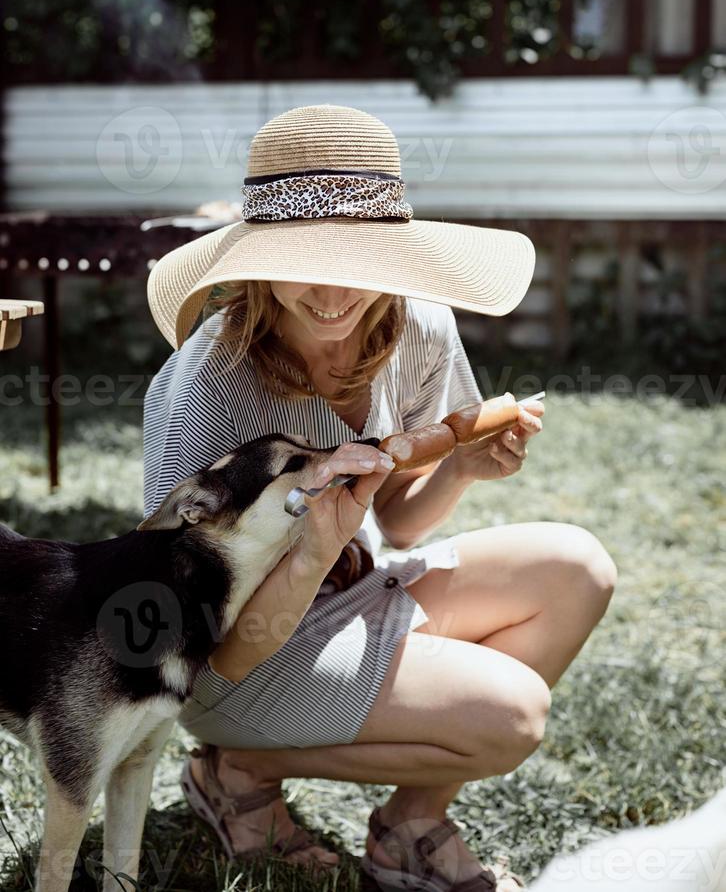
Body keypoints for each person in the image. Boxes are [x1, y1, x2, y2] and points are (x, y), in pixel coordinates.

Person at [142, 105, 618, 891]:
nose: (334, 295)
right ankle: (240, 766)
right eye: (305, 261)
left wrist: (461, 470)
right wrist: (313, 552)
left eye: (357, 257)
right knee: (511, 717)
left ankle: (412, 824)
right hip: (234, 660)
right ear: (257, 259)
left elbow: (397, 520)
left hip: (353, 591)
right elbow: (191, 639)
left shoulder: (419, 327)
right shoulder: (209, 386)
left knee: (577, 566)